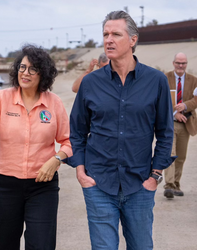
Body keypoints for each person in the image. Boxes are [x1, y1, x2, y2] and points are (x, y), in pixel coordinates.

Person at [65, 11, 174, 249]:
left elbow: (166, 131)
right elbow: (77, 131)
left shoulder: (156, 81)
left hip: (140, 185)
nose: (108, 40)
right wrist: (81, 171)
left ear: (133, 40)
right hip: (98, 184)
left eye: (116, 34)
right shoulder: (90, 83)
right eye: (105, 34)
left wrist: (155, 175)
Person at [0, 45, 72, 250]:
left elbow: (69, 141)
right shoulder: (1, 98)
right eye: (22, 67)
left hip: (43, 186)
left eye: (32, 68)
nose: (25, 73)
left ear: (43, 73)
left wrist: (56, 159)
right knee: (4, 244)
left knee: (42, 245)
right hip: (4, 187)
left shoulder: (54, 103)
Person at [163, 53, 197, 198]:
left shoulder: (194, 80)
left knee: (181, 156)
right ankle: (169, 185)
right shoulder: (165, 78)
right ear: (173, 63)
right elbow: (161, 99)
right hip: (169, 123)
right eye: (178, 63)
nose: (181, 66)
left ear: (186, 64)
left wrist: (184, 105)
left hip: (186, 123)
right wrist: (174, 113)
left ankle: (176, 184)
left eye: (183, 63)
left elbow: (196, 100)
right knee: (170, 154)